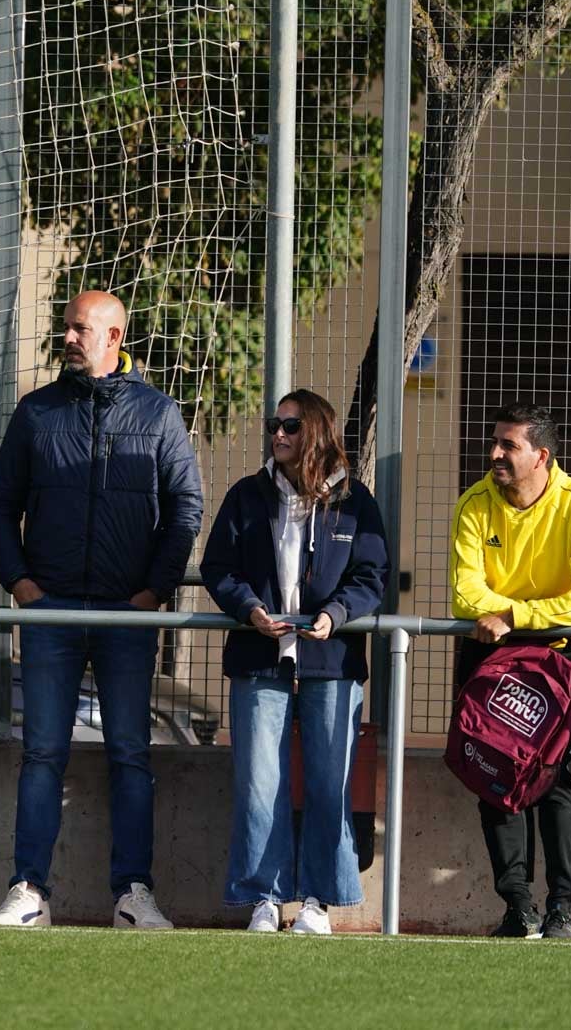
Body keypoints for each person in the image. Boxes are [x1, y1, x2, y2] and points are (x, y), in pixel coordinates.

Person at [0, 290, 203, 929]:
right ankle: (28, 892)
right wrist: (21, 583)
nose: (70, 336)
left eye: (82, 328)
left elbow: (185, 506)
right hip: (49, 612)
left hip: (127, 616)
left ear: (114, 338)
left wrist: (153, 592)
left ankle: (134, 893)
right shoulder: (36, 413)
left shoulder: (158, 414)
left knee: (130, 752)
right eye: (68, 326)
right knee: (42, 752)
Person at [200, 390, 389, 935]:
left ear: (317, 433)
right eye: (274, 425)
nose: (278, 435)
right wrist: (251, 609)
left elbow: (370, 577)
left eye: (290, 426)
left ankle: (317, 902)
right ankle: (264, 897)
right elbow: (219, 567)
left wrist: (336, 613)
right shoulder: (246, 496)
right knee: (261, 782)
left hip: (332, 662)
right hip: (261, 659)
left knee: (331, 784)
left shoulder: (356, 502)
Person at [448, 402, 571, 941]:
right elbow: (464, 591)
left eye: (508, 446)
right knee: (493, 775)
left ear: (541, 455)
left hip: (559, 656)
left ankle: (561, 908)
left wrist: (515, 615)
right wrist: (499, 616)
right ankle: (518, 906)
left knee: (554, 779)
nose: (494, 453)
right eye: (494, 442)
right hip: (489, 654)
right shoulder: (474, 503)